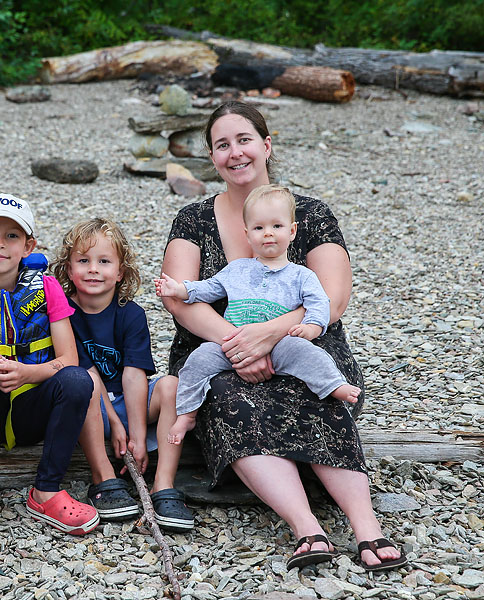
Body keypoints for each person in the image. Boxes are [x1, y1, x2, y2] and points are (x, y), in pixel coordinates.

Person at [160, 100, 408, 572]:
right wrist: (239, 343)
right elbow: (179, 298)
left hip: (304, 341)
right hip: (216, 348)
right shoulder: (193, 219)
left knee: (317, 391)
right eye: (222, 144)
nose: (235, 153)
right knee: (230, 397)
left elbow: (331, 301)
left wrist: (267, 337)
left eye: (244, 140)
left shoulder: (310, 214)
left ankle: (367, 528)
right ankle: (307, 529)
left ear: (266, 145)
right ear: (212, 157)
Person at [0, 193, 99, 536]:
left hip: (32, 412)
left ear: (28, 246)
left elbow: (70, 360)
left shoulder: (48, 288)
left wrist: (28, 373)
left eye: (12, 236)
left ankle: (47, 491)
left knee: (78, 380)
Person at [155, 184, 361, 445]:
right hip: (231, 344)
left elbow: (320, 302)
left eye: (276, 227)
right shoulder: (237, 270)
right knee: (197, 361)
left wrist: (312, 327)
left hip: (281, 342)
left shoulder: (301, 275)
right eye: (259, 228)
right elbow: (208, 289)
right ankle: (187, 412)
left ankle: (333, 384)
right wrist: (181, 289)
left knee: (308, 354)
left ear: (292, 230)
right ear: (248, 234)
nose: (268, 234)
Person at [52, 218, 194, 532]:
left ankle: (162, 485)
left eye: (104, 261)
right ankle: (103, 478)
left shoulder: (131, 313)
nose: (93, 269)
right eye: (83, 261)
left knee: (171, 385)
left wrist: (139, 438)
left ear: (120, 272)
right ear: (68, 269)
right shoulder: (63, 311)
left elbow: (133, 375)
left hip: (130, 402)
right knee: (83, 380)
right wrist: (116, 425)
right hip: (89, 406)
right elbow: (86, 372)